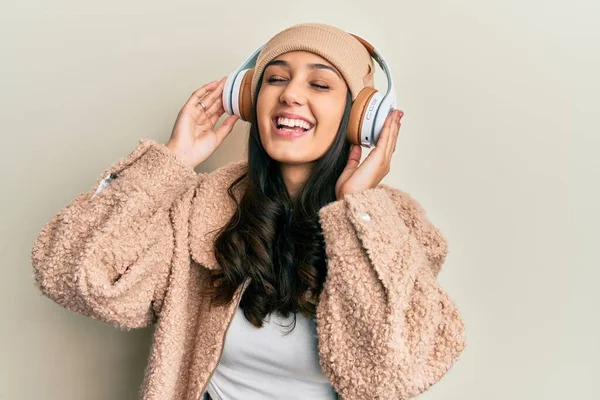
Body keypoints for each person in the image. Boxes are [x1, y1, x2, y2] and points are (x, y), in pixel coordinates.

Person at [31, 23, 466, 400]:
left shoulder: (393, 225)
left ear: (360, 117)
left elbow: (396, 375)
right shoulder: (200, 206)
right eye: (275, 79)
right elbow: (73, 275)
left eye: (319, 84)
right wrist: (171, 161)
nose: (291, 94)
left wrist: (359, 208)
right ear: (250, 100)